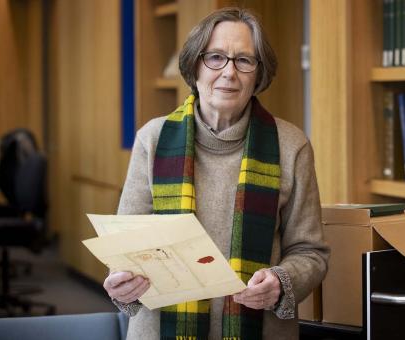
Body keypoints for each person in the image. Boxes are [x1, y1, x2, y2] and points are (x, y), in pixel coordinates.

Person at [102, 7, 329, 340]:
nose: (229, 72)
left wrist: (282, 282)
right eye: (216, 57)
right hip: (159, 330)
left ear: (259, 75)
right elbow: (124, 250)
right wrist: (122, 281)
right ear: (195, 66)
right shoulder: (152, 139)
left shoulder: (291, 146)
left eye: (244, 61)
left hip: (261, 330)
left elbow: (311, 252)